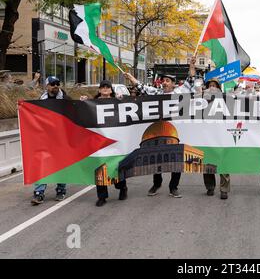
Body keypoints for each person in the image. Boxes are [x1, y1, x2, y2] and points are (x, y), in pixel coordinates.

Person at [123, 57, 196, 198]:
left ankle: (173, 187)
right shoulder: (156, 93)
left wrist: (192, 65)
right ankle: (157, 184)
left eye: (167, 81)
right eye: (163, 81)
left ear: (174, 84)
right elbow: (141, 87)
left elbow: (191, 80)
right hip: (159, 131)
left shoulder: (180, 92)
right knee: (157, 159)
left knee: (176, 160)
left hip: (175, 131)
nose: (164, 83)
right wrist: (131, 77)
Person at [81, 80, 128, 207]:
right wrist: (83, 102)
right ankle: (102, 196)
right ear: (99, 90)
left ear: (111, 90)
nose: (106, 89)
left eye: (108, 87)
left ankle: (122, 187)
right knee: (100, 168)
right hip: (99, 141)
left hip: (115, 140)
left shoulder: (118, 101)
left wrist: (122, 100)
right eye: (103, 87)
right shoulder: (92, 103)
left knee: (117, 166)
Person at [31, 76, 69, 205]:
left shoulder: (66, 99)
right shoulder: (41, 100)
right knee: (42, 164)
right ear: (47, 86)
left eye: (57, 83)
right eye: (52, 84)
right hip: (45, 139)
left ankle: (61, 190)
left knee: (61, 165)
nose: (56, 86)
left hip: (61, 139)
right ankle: (39, 193)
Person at [202, 77, 231, 200]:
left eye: (214, 85)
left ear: (219, 88)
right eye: (210, 85)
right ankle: (210, 187)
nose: (212, 87)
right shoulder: (201, 100)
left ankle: (224, 189)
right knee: (208, 162)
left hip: (222, 135)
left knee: (224, 162)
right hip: (207, 136)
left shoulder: (226, 99)